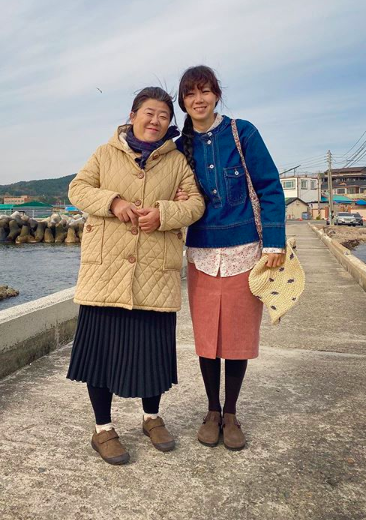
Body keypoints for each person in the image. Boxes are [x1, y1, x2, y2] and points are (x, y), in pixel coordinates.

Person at [67, 86, 205, 465]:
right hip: (106, 270)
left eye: (163, 115)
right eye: (149, 112)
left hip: (154, 271)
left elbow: (195, 203)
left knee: (153, 351)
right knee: (101, 353)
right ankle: (102, 429)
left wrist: (164, 213)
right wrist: (113, 202)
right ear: (132, 115)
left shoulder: (177, 161)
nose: (155, 120)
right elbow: (77, 189)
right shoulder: (104, 152)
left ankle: (151, 417)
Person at [175, 65, 286, 450]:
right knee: (207, 337)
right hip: (201, 253)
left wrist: (274, 242)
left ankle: (232, 413)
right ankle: (211, 410)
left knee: (237, 338)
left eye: (204, 91)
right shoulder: (179, 145)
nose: (198, 99)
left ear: (216, 95)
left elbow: (270, 186)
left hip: (245, 251)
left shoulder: (243, 133)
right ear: (183, 101)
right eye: (190, 94)